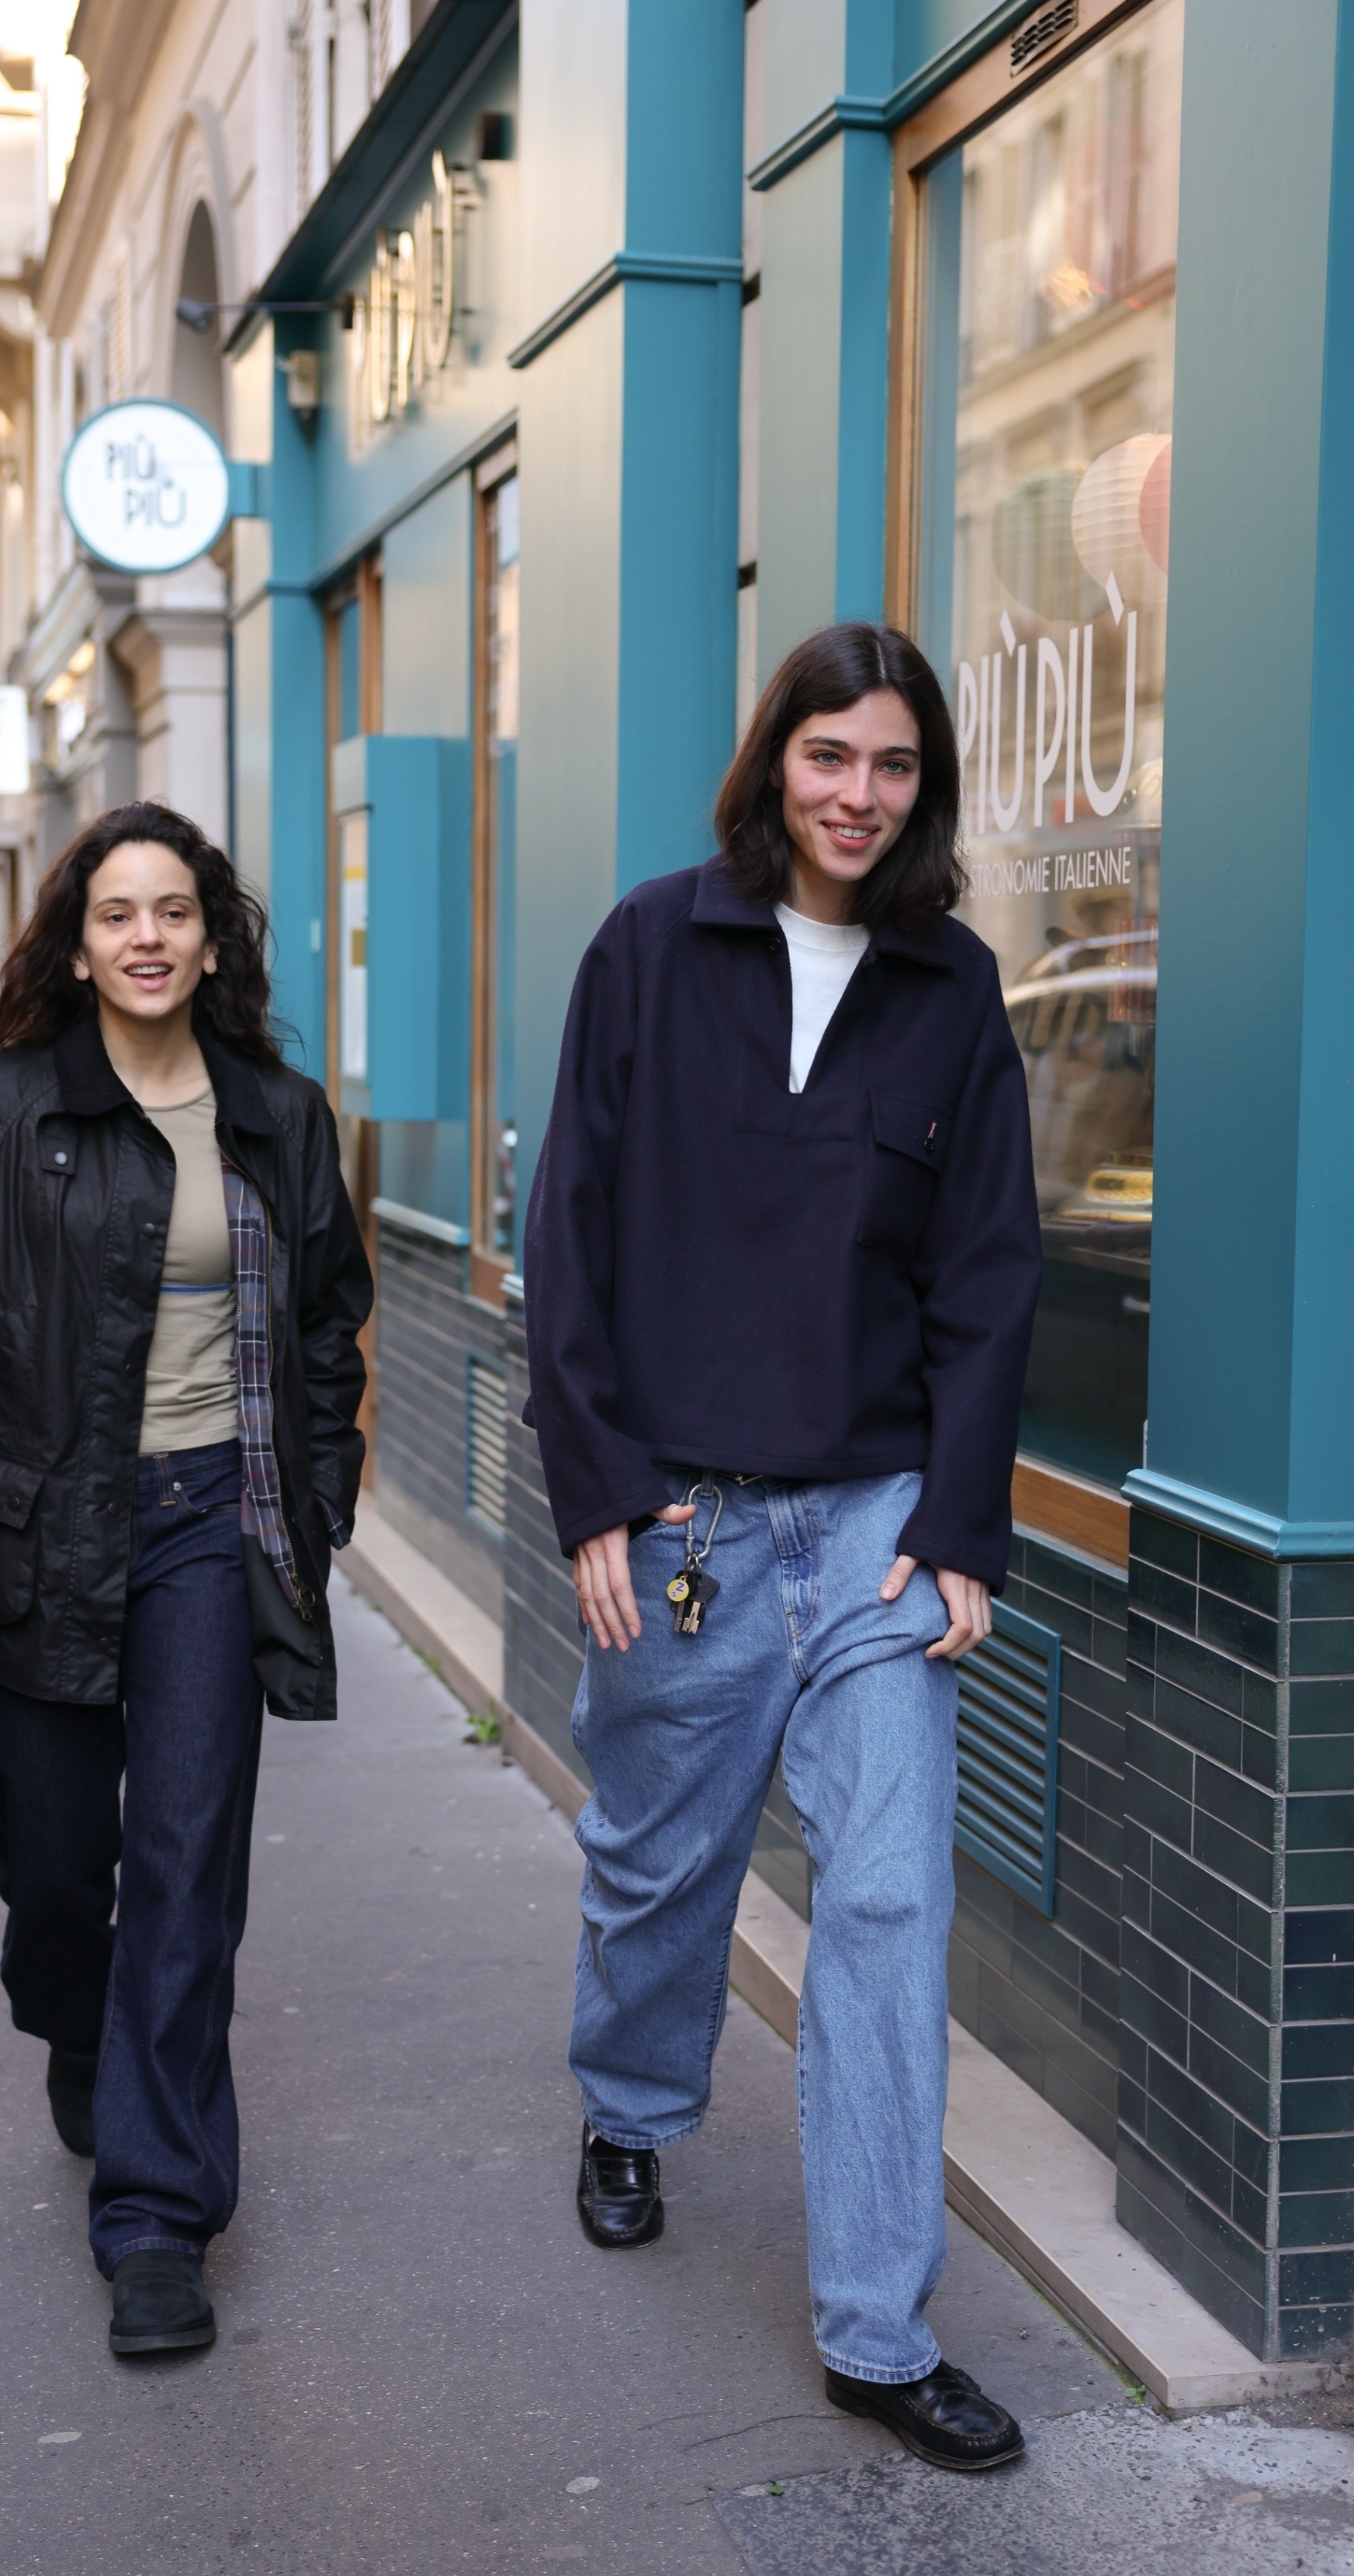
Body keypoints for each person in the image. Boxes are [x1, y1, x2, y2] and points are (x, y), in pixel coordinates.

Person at [524, 622, 1043, 2474]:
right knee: (658, 1873)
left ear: (926, 789)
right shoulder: (654, 946)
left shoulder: (952, 989)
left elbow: (987, 1276)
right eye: (829, 756)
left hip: (879, 1528)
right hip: (681, 1525)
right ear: (775, 764)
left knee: (889, 1909)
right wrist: (590, 1483)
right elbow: (567, 1221)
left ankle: (876, 2333)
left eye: (893, 766)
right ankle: (631, 2104)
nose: (857, 795)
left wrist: (965, 1520)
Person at [0, 800, 372, 2359]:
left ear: (209, 937)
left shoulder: (278, 1116)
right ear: (76, 943)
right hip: (37, 1531)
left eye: (173, 911)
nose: (146, 937)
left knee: (185, 1863)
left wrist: (321, 1502)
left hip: (216, 1531)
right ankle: (73, 2022)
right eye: (116, 914)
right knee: (55, 1864)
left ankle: (158, 2216)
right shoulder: (2, 1107)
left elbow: (329, 1323)